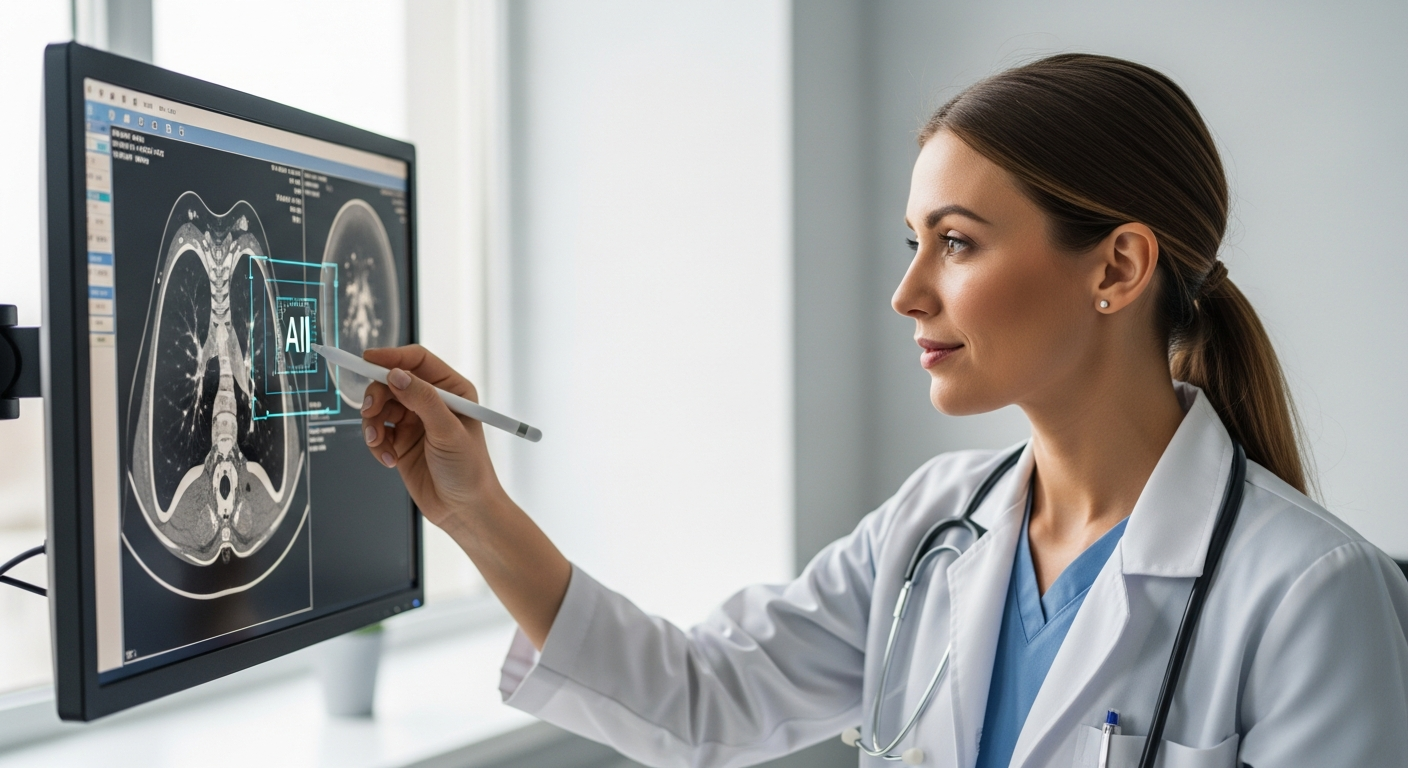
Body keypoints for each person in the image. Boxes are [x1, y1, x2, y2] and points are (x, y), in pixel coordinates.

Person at [358, 54, 1408, 767]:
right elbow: (702, 698)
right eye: (915, 242)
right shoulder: (934, 526)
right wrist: (473, 509)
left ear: (1118, 267)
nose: (907, 294)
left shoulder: (1311, 595)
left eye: (956, 243)